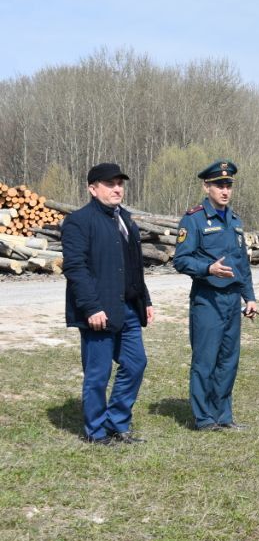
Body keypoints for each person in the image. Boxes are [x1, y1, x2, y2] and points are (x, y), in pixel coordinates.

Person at [61, 162, 154, 445]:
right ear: (92, 188)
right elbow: (75, 268)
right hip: (98, 311)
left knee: (136, 363)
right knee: (98, 375)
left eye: (120, 183)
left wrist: (145, 300)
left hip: (127, 308)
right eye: (110, 184)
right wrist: (91, 308)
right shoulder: (79, 221)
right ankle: (97, 433)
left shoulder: (126, 219)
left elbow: (134, 267)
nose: (117, 189)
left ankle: (117, 422)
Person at [173, 160, 259, 431]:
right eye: (219, 185)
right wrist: (207, 268)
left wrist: (250, 297)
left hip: (232, 300)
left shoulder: (235, 221)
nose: (225, 191)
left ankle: (224, 415)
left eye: (228, 185)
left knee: (227, 360)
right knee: (205, 359)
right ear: (206, 186)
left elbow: (242, 265)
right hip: (207, 299)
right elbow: (181, 260)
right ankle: (203, 418)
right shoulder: (194, 219)